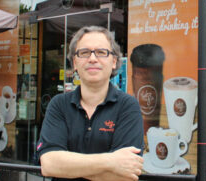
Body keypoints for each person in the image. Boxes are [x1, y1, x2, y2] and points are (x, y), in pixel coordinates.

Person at [37, 26, 144, 181]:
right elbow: (49, 164)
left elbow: (125, 176)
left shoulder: (128, 106)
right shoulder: (58, 105)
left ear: (114, 61)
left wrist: (68, 166)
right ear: (74, 62)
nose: (93, 58)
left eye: (101, 52)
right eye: (84, 53)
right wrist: (111, 161)